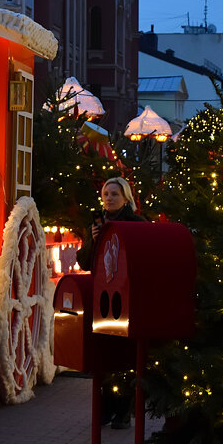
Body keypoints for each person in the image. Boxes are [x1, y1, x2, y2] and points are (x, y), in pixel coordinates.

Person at [75, 177, 146, 429]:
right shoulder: (97, 224)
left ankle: (124, 410)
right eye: (106, 194)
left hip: (126, 295)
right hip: (102, 295)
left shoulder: (137, 224)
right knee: (105, 352)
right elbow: (85, 262)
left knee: (124, 354)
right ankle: (105, 409)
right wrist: (94, 240)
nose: (109, 198)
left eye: (114, 194)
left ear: (125, 197)